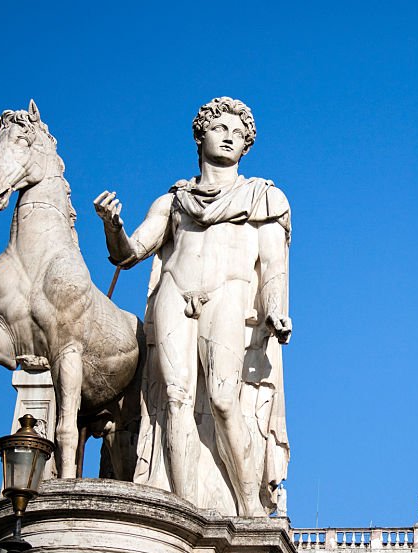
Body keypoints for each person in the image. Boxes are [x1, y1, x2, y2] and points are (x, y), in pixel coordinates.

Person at [95, 97, 291, 516]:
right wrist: (113, 226)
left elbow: (274, 263)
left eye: (239, 134)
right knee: (175, 397)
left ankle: (249, 506)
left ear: (246, 146)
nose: (229, 137)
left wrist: (275, 308)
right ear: (200, 135)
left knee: (223, 399)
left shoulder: (264, 198)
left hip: (228, 294)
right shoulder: (174, 201)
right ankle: (183, 511)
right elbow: (130, 253)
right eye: (221, 128)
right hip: (175, 290)